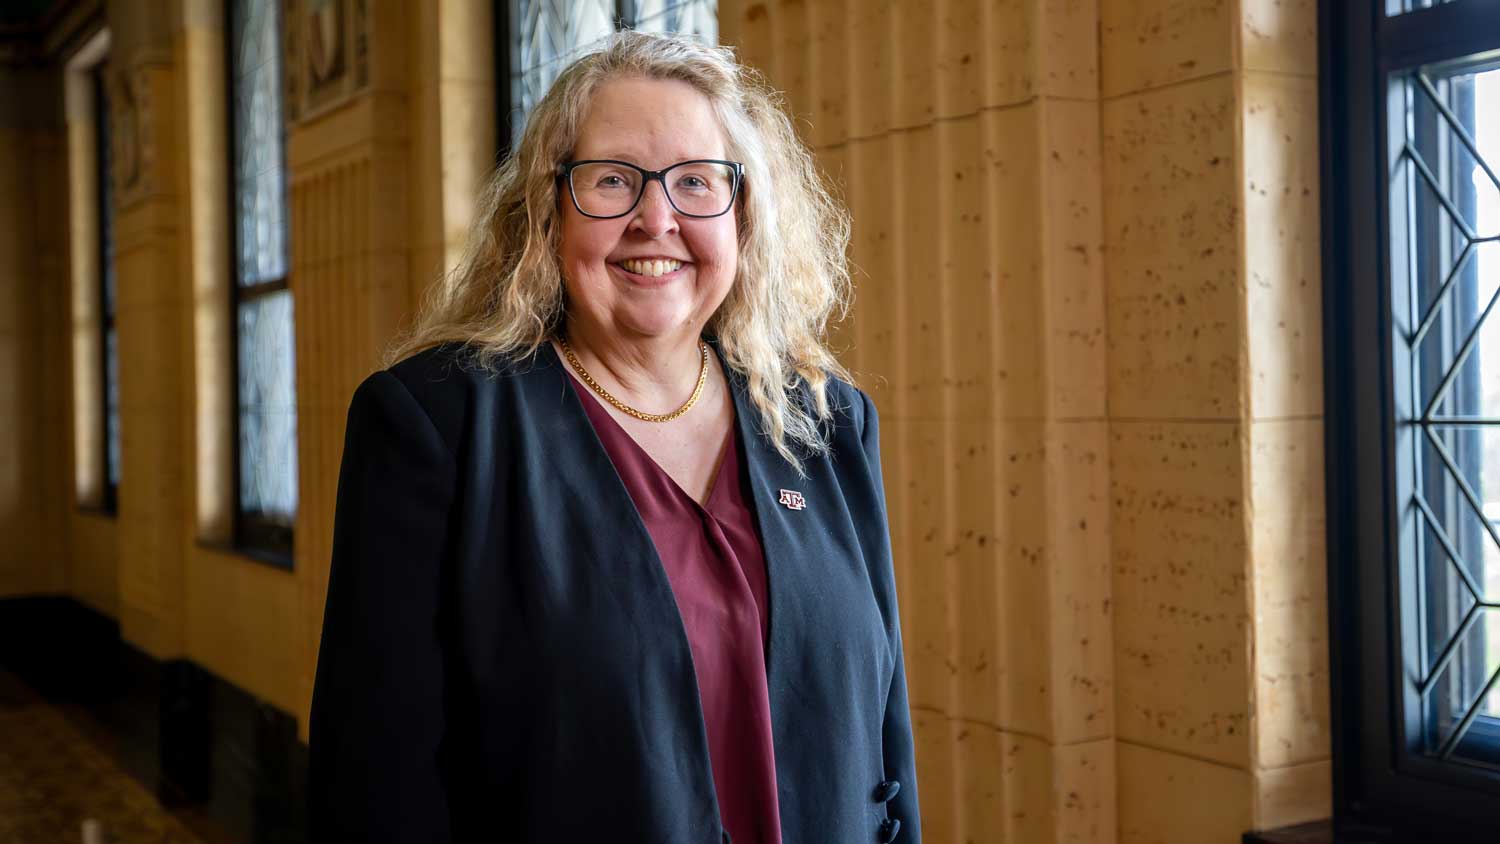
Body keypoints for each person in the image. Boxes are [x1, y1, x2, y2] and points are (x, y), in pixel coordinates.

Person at [308, 31, 919, 844]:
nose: (656, 219)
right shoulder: (435, 427)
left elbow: (887, 753)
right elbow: (377, 791)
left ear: (743, 216)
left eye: (697, 182)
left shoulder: (828, 424)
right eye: (612, 181)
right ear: (546, 211)